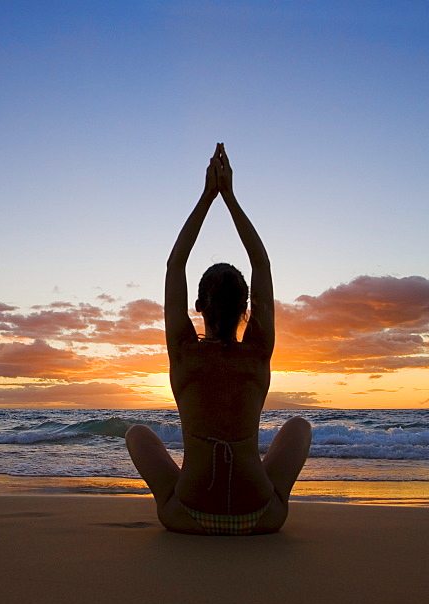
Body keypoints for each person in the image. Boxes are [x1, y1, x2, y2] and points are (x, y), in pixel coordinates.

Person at [126, 144, 311, 535]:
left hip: (187, 515)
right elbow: (261, 263)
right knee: (298, 426)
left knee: (137, 434)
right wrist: (230, 197)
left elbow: (175, 263)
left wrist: (207, 196)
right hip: (261, 517)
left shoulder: (184, 351)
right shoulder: (258, 352)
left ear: (198, 305)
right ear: (248, 308)